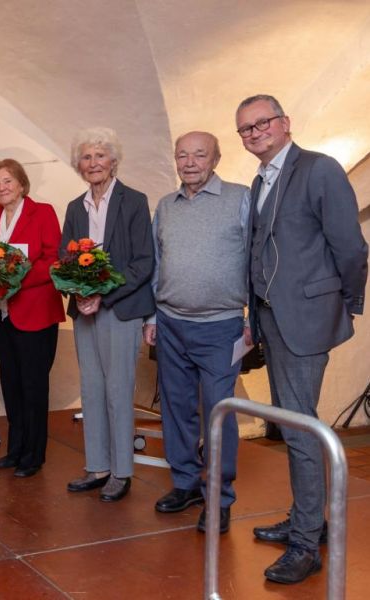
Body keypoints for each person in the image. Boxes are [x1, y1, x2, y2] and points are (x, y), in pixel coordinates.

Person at [236, 94, 367, 584]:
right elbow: (260, 253)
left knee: (298, 429)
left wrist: (348, 303)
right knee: (294, 426)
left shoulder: (320, 169)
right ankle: (309, 518)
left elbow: (351, 249)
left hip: (306, 319)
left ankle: (306, 545)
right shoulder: (260, 179)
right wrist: (253, 313)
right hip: (272, 320)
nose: (254, 133)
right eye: (245, 129)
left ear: (284, 123)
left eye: (261, 123)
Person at [144, 131, 251, 533]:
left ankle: (219, 498)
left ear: (216, 159)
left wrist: (250, 318)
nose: (189, 163)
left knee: (219, 413)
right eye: (182, 155)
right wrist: (152, 317)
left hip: (222, 326)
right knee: (176, 408)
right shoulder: (166, 206)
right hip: (171, 323)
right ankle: (186, 483)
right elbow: (156, 263)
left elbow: (256, 260)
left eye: (199, 155)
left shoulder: (240, 199)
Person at [62, 128, 154, 501]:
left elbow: (143, 262)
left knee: (118, 389)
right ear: (79, 165)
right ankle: (97, 467)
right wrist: (80, 292)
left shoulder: (134, 201)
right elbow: (64, 259)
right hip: (85, 310)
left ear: (114, 161)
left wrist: (102, 293)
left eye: (100, 156)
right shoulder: (74, 207)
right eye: (87, 157)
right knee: (92, 389)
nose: (93, 163)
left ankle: (121, 471)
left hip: (121, 308)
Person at [0, 159, 64, 478]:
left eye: (8, 181)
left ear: (22, 184)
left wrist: (14, 280)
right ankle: (15, 449)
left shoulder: (42, 212)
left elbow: (52, 259)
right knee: (11, 384)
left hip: (36, 314)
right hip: (2, 315)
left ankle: (34, 453)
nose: (2, 187)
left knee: (33, 385)